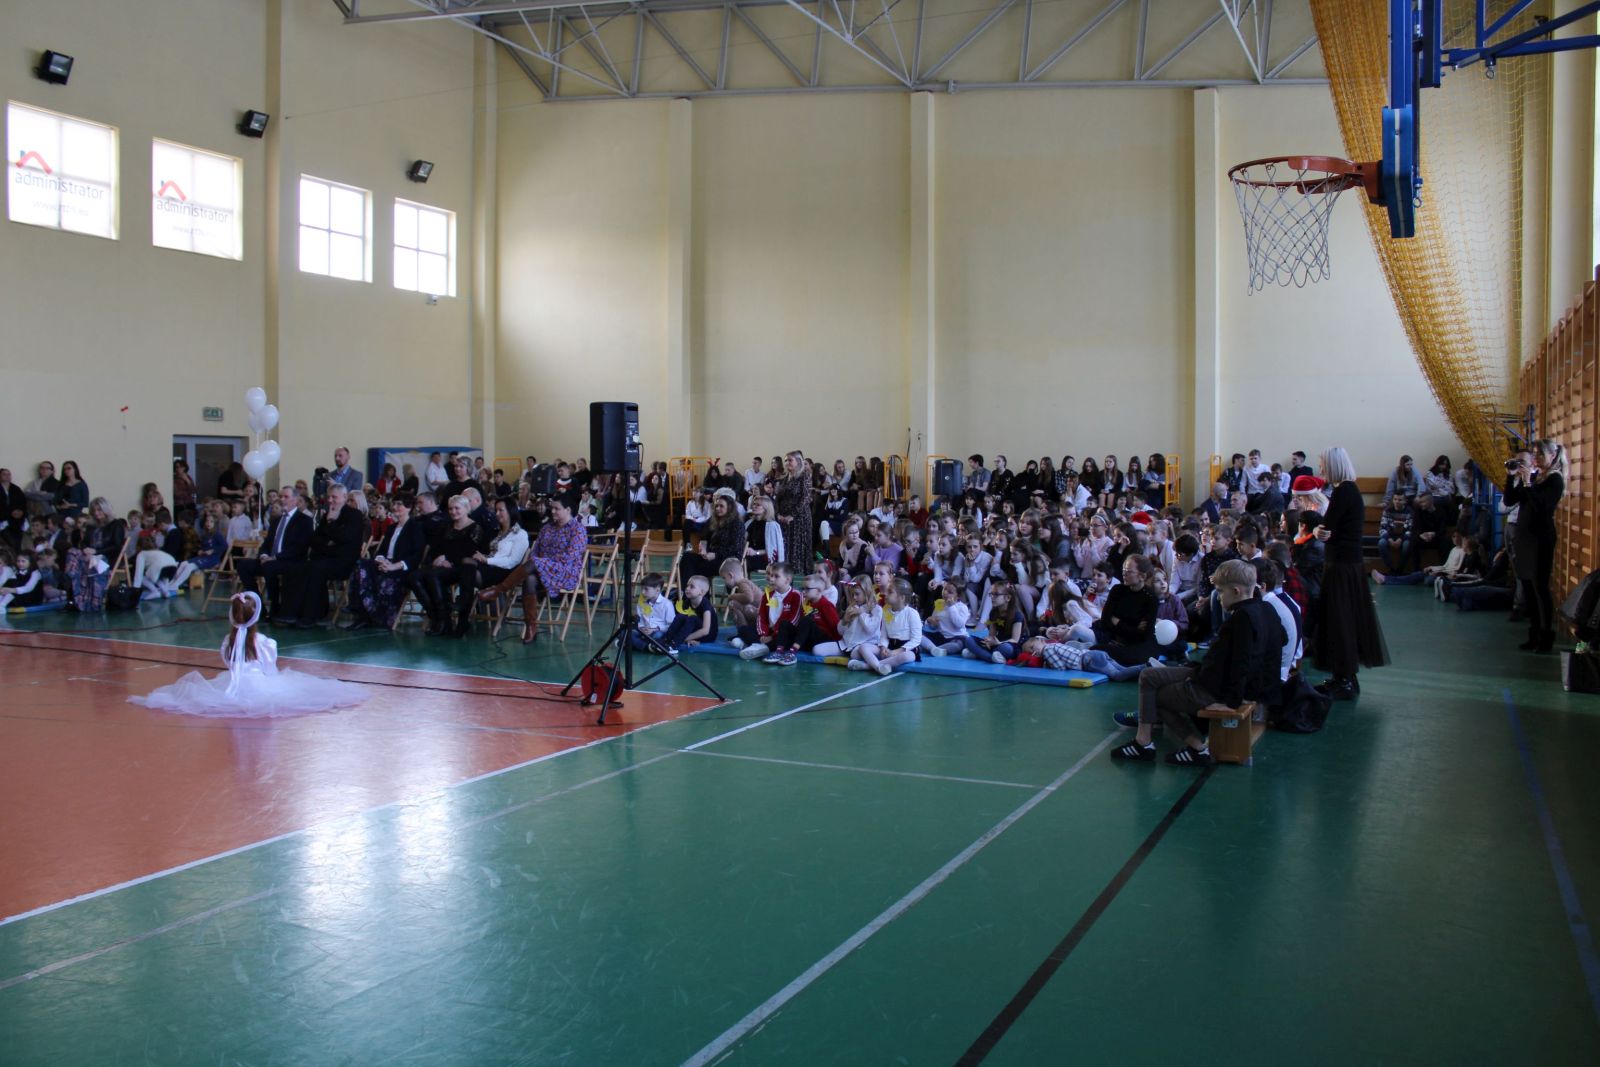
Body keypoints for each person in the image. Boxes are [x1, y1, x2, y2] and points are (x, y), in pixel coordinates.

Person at [1110, 559, 1285, 766]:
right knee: (1148, 675)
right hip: (1210, 674)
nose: (1219, 598)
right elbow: (1280, 641)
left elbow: (1242, 662)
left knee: (1156, 697)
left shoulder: (1242, 618)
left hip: (1214, 687)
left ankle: (1195, 748)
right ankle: (1143, 741)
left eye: (1221, 592)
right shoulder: (1266, 609)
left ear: (1236, 591)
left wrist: (1233, 701)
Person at [129, 592, 367, 716]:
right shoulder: (264, 642)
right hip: (259, 683)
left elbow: (228, 663)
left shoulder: (228, 641)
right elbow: (269, 667)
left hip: (233, 682)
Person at [1313, 446, 1389, 698]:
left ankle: (1345, 679)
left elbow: (1326, 528)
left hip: (1342, 565)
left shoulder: (1344, 490)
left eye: (1323, 464)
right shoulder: (1347, 490)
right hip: (1346, 563)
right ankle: (1343, 676)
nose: (1321, 469)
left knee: (1341, 621)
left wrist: (1315, 529)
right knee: (1342, 620)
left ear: (1332, 465)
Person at [477, 497, 587, 644]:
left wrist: (545, 563)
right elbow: (535, 551)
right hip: (541, 571)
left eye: (557, 508)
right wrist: (541, 564)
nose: (552, 511)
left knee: (535, 562)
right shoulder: (547, 528)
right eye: (552, 508)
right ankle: (531, 627)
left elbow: (570, 557)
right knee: (529, 578)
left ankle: (497, 590)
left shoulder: (578, 529)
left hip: (565, 572)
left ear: (568, 510)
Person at [1503, 439, 1567, 653]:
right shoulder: (1534, 477)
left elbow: (1542, 506)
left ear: (1552, 456)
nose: (1537, 458)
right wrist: (1511, 477)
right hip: (1524, 537)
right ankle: (1533, 634)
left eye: (1541, 454)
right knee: (1528, 588)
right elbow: (1509, 500)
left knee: (1540, 588)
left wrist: (1528, 484)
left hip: (1541, 538)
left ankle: (1546, 637)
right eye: (1535, 454)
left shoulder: (1555, 479)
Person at [276, 484, 366, 629]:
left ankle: (310, 616)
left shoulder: (354, 515)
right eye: (328, 497)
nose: (330, 500)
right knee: (295, 567)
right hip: (325, 558)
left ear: (344, 497)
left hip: (345, 562)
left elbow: (346, 539)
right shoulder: (326, 515)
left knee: (316, 569)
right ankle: (290, 613)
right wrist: (330, 542)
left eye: (334, 497)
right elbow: (315, 540)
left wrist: (331, 524)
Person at [342, 495, 428, 630]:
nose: (395, 507)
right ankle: (359, 611)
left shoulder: (416, 527)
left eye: (399, 504)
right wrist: (381, 561)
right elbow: (381, 551)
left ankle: (370, 616)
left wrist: (393, 566)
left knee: (380, 578)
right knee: (360, 564)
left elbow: (416, 556)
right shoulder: (392, 527)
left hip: (401, 568)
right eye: (394, 504)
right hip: (385, 564)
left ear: (409, 508)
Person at [415, 494, 489, 638]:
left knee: (432, 576)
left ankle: (444, 620)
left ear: (466, 508)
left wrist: (448, 558)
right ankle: (437, 617)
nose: (453, 511)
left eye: (457, 508)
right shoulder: (446, 526)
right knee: (414, 577)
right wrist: (438, 559)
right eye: (450, 509)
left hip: (463, 567)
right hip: (443, 565)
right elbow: (435, 547)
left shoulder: (476, 528)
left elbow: (470, 551)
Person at [236, 486, 313, 619]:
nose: (282, 499)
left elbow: (299, 547)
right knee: (243, 564)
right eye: (281, 496)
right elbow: (267, 543)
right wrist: (264, 555)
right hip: (270, 560)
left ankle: (275, 604)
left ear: (295, 500)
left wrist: (275, 557)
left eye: (286, 497)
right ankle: (258, 604)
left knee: (269, 566)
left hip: (290, 561)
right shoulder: (276, 520)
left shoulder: (304, 520)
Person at [775, 451, 813, 570]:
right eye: (785, 460)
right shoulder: (784, 478)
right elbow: (778, 498)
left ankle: (798, 573)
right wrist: (778, 514)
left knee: (798, 548)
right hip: (783, 518)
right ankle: (785, 573)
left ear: (798, 462)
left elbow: (806, 498)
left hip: (799, 519)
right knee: (785, 546)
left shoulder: (804, 476)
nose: (787, 463)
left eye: (790, 460)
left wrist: (792, 515)